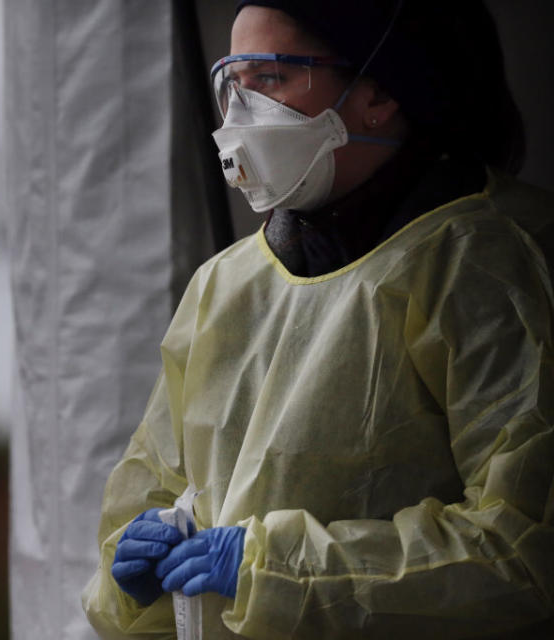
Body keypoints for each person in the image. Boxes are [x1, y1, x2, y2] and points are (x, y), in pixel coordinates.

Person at [82, 1, 554, 638]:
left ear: (379, 94)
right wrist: (129, 578)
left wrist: (274, 570)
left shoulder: (489, 264)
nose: (239, 116)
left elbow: (522, 550)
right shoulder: (226, 285)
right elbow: (157, 490)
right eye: (232, 83)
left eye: (269, 80)